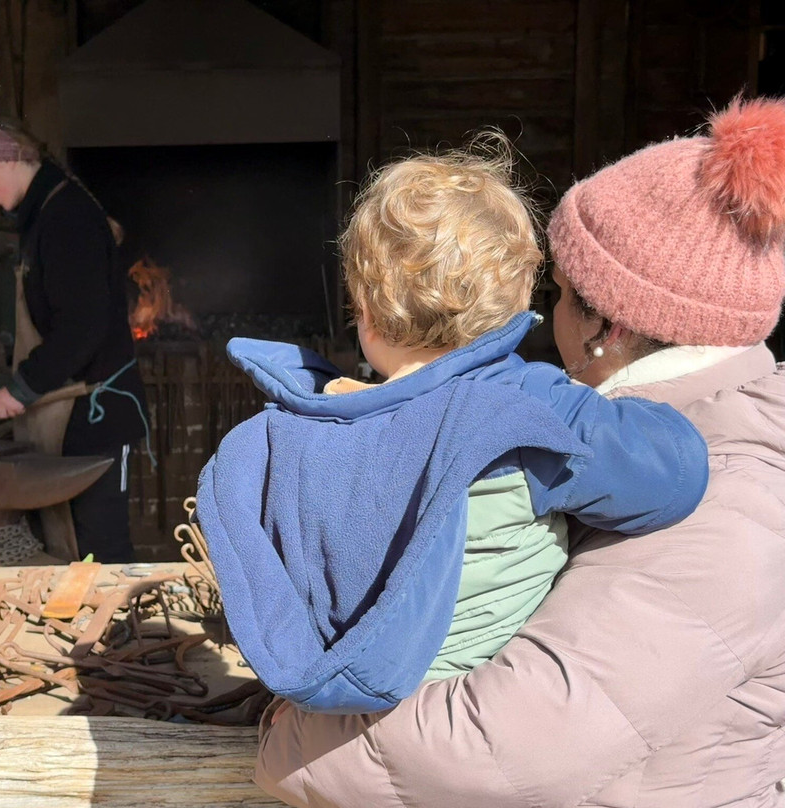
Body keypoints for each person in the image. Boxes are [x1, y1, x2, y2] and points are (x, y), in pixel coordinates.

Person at [253, 96, 785, 807]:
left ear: (611, 328)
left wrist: (286, 739)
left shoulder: (731, 508)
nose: (549, 321)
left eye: (561, 296)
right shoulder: (648, 447)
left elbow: (489, 751)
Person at [195, 136, 709, 714]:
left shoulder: (287, 438)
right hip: (479, 707)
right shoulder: (526, 407)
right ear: (518, 305)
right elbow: (673, 478)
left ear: (363, 309)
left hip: (334, 716)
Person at [0, 116, 148, 563]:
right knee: (73, 549)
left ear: (9, 158)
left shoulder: (66, 218)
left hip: (97, 415)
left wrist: (24, 384)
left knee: (102, 549)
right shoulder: (45, 214)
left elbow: (83, 327)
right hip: (71, 411)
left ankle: (122, 631)